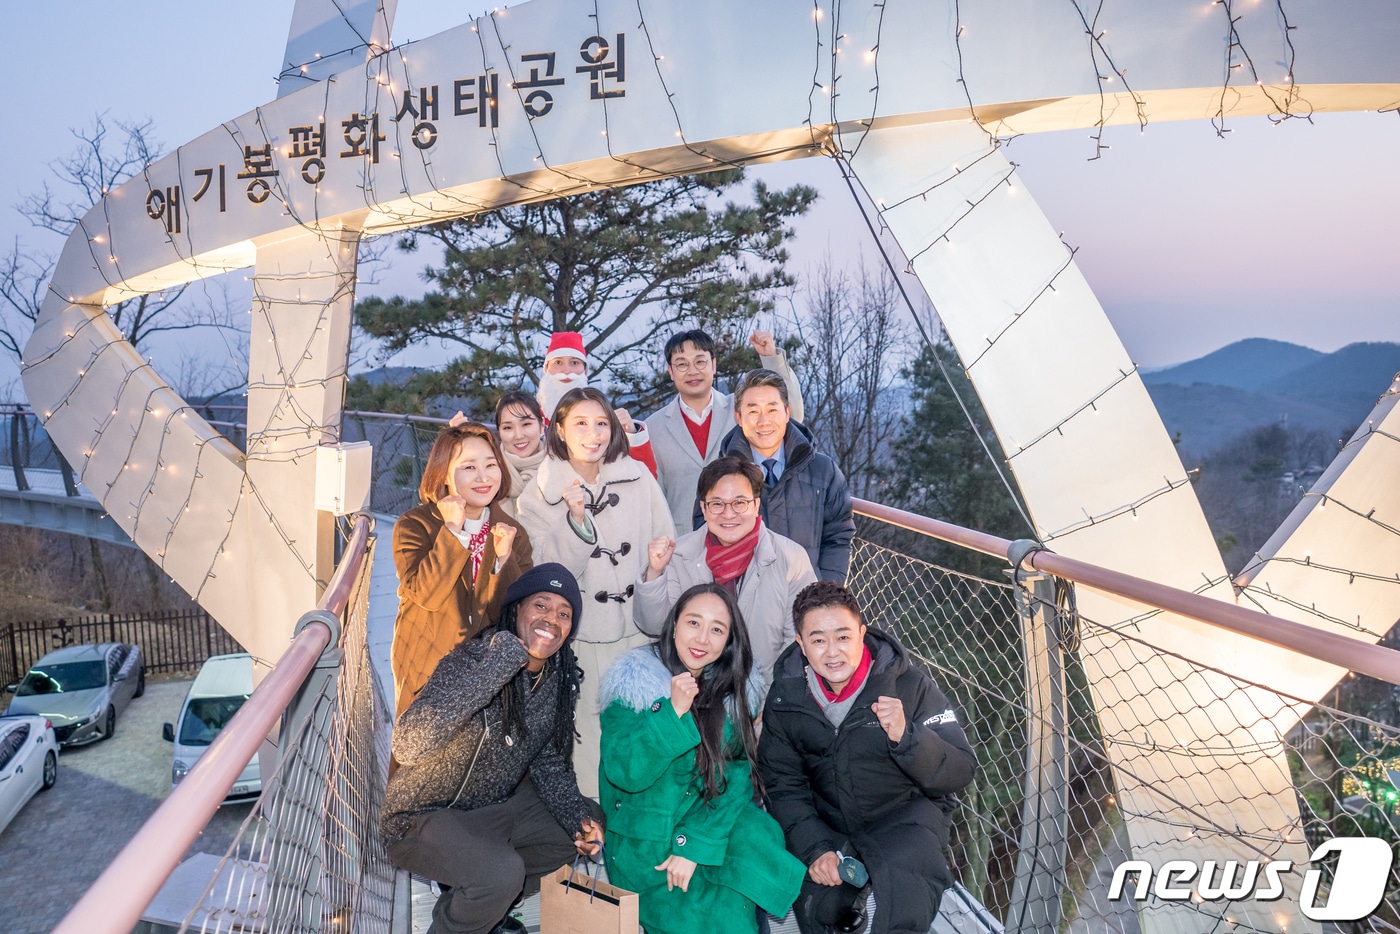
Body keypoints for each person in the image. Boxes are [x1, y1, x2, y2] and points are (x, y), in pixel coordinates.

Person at [381, 565, 605, 934]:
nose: (552, 619)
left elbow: (549, 765)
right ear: (517, 609)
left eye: (564, 614)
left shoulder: (555, 680)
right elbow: (408, 745)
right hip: (422, 816)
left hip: (489, 810)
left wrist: (579, 821)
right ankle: (475, 905)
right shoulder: (471, 660)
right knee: (501, 873)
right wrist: (498, 665)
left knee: (580, 821)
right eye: (541, 605)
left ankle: (484, 906)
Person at [757, 582, 976, 934]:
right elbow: (783, 784)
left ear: (861, 633)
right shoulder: (786, 698)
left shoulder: (909, 686)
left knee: (903, 904)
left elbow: (961, 769)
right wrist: (816, 848)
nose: (832, 653)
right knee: (819, 908)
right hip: (829, 820)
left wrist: (909, 737)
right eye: (818, 640)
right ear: (800, 643)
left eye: (843, 637)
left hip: (904, 817)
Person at [598, 583, 806, 934]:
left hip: (707, 828)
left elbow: (739, 774)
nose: (702, 638)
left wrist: (694, 846)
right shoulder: (634, 685)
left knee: (737, 905)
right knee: (705, 916)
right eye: (694, 623)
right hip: (649, 844)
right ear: (675, 624)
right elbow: (624, 772)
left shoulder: (732, 689)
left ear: (728, 641)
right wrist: (671, 713)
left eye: (716, 629)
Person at [515, 386, 676, 796]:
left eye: (602, 423)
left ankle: (643, 832)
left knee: (644, 739)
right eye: (581, 423)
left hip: (639, 634)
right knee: (585, 743)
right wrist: (575, 524)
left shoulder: (639, 479)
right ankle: (591, 833)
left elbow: (665, 546)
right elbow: (547, 577)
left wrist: (654, 582)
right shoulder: (539, 496)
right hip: (580, 640)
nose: (594, 433)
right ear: (561, 430)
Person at [392, 421, 532, 718]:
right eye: (469, 467)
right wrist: (453, 531)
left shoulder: (512, 531)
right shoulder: (415, 525)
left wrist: (502, 561)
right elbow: (426, 595)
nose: (483, 477)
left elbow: (510, 614)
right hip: (427, 673)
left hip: (488, 679)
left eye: (491, 465)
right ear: (444, 473)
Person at [637, 456, 816, 683]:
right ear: (703, 508)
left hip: (764, 695)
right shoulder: (680, 554)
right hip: (693, 694)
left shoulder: (791, 558)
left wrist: (775, 700)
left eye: (740, 502)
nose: (728, 514)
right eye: (717, 504)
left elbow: (799, 640)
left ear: (756, 504)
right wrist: (654, 574)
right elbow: (654, 626)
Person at [650, 329, 805, 531]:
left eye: (700, 361)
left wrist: (770, 359)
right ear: (670, 371)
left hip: (744, 541)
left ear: (714, 365)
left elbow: (791, 417)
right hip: (683, 546)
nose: (692, 371)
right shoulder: (653, 428)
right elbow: (654, 499)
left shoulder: (740, 409)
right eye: (682, 364)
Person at [714, 369, 855, 584]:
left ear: (787, 413)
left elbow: (838, 537)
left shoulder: (822, 470)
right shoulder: (719, 476)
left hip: (808, 599)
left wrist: (825, 592)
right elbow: (709, 540)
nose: (764, 421)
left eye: (772, 409)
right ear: (739, 418)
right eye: (753, 411)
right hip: (744, 605)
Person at [536, 330, 657, 476]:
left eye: (574, 362)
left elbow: (647, 476)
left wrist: (631, 433)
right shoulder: (530, 419)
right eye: (558, 362)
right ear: (546, 368)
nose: (566, 370)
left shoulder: (603, 418)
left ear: (584, 370)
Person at [493, 390, 548, 517]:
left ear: (542, 426)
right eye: (508, 427)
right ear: (499, 432)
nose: (518, 435)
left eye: (526, 424)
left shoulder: (560, 466)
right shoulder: (489, 470)